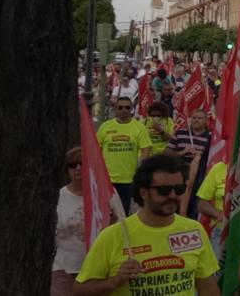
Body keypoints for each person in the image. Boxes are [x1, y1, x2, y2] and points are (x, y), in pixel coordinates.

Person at [75, 155, 220, 296]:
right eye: (163, 190)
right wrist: (115, 281)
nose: (172, 196)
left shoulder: (193, 230)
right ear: (143, 192)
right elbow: (80, 290)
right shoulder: (113, 236)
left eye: (179, 189)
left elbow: (208, 288)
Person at [97, 96, 152, 211]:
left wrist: (141, 173)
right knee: (106, 210)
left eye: (127, 107)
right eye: (120, 107)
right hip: (107, 179)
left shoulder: (139, 128)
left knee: (123, 211)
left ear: (131, 108)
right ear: (115, 109)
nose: (123, 110)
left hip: (128, 180)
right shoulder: (105, 127)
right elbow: (97, 150)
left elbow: (146, 150)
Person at [52, 148, 86, 296]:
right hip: (64, 269)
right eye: (73, 165)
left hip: (97, 272)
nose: (78, 168)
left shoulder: (106, 194)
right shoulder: (58, 196)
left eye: (82, 163)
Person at [168, 109, 211, 218]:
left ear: (206, 120)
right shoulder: (180, 133)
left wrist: (200, 156)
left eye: (199, 118)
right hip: (179, 171)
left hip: (202, 173)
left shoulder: (211, 136)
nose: (196, 120)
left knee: (196, 202)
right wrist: (183, 152)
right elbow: (167, 154)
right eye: (194, 118)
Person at [195, 161, 227, 257]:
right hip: (221, 232)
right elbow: (201, 204)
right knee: (217, 271)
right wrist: (218, 214)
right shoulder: (219, 168)